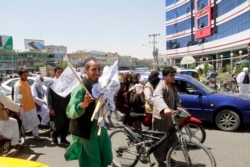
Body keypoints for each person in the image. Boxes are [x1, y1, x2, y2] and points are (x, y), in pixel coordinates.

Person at [64, 57, 112, 167]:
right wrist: (83, 105)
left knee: (107, 157)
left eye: (99, 69)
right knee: (91, 163)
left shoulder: (100, 86)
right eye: (93, 69)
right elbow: (69, 111)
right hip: (86, 131)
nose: (97, 72)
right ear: (86, 70)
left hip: (100, 127)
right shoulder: (81, 87)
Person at [153, 66, 183, 167]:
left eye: (174, 75)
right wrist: (164, 108)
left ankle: (168, 156)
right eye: (171, 75)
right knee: (161, 141)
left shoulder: (172, 86)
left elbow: (177, 99)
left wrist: (178, 107)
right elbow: (157, 97)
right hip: (161, 118)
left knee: (171, 139)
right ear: (164, 76)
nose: (173, 77)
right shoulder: (161, 86)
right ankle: (160, 162)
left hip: (171, 118)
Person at [13, 68, 42, 141]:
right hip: (24, 108)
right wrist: (17, 109)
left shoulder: (26, 82)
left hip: (31, 106)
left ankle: (36, 135)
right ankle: (20, 138)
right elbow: (17, 98)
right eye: (24, 75)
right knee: (23, 123)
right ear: (20, 75)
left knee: (34, 120)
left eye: (26, 75)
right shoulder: (17, 85)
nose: (26, 77)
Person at [47, 67, 70, 145]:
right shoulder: (52, 84)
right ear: (55, 73)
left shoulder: (66, 84)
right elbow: (48, 97)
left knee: (66, 124)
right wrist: (51, 109)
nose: (60, 74)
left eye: (61, 72)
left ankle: (63, 139)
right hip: (57, 108)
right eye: (58, 72)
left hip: (66, 107)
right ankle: (54, 135)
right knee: (59, 124)